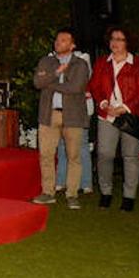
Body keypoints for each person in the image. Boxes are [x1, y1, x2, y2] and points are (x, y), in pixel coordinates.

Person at [89, 27, 139, 211]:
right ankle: (106, 192)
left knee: (130, 156)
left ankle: (129, 196)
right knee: (104, 154)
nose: (115, 43)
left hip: (131, 115)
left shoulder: (138, 64)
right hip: (107, 115)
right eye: (113, 39)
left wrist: (125, 107)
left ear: (127, 43)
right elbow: (94, 86)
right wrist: (104, 103)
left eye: (120, 39)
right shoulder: (102, 63)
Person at [32, 29, 92, 208]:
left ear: (72, 45)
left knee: (74, 155)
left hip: (72, 115)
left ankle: (72, 194)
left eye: (64, 40)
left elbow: (76, 87)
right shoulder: (46, 61)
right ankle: (48, 192)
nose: (59, 42)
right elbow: (37, 83)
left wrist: (49, 84)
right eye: (57, 40)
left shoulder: (80, 64)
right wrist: (56, 73)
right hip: (49, 115)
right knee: (46, 155)